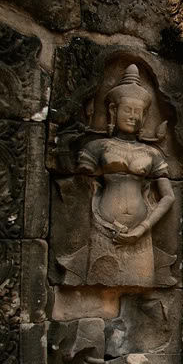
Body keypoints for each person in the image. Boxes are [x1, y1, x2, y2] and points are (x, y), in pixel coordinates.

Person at [59, 64, 175, 287]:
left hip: (142, 234)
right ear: (113, 111)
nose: (133, 116)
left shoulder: (152, 153)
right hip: (104, 230)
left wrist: (142, 229)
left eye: (138, 112)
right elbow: (77, 184)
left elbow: (168, 197)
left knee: (142, 288)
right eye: (127, 110)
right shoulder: (98, 147)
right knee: (101, 283)